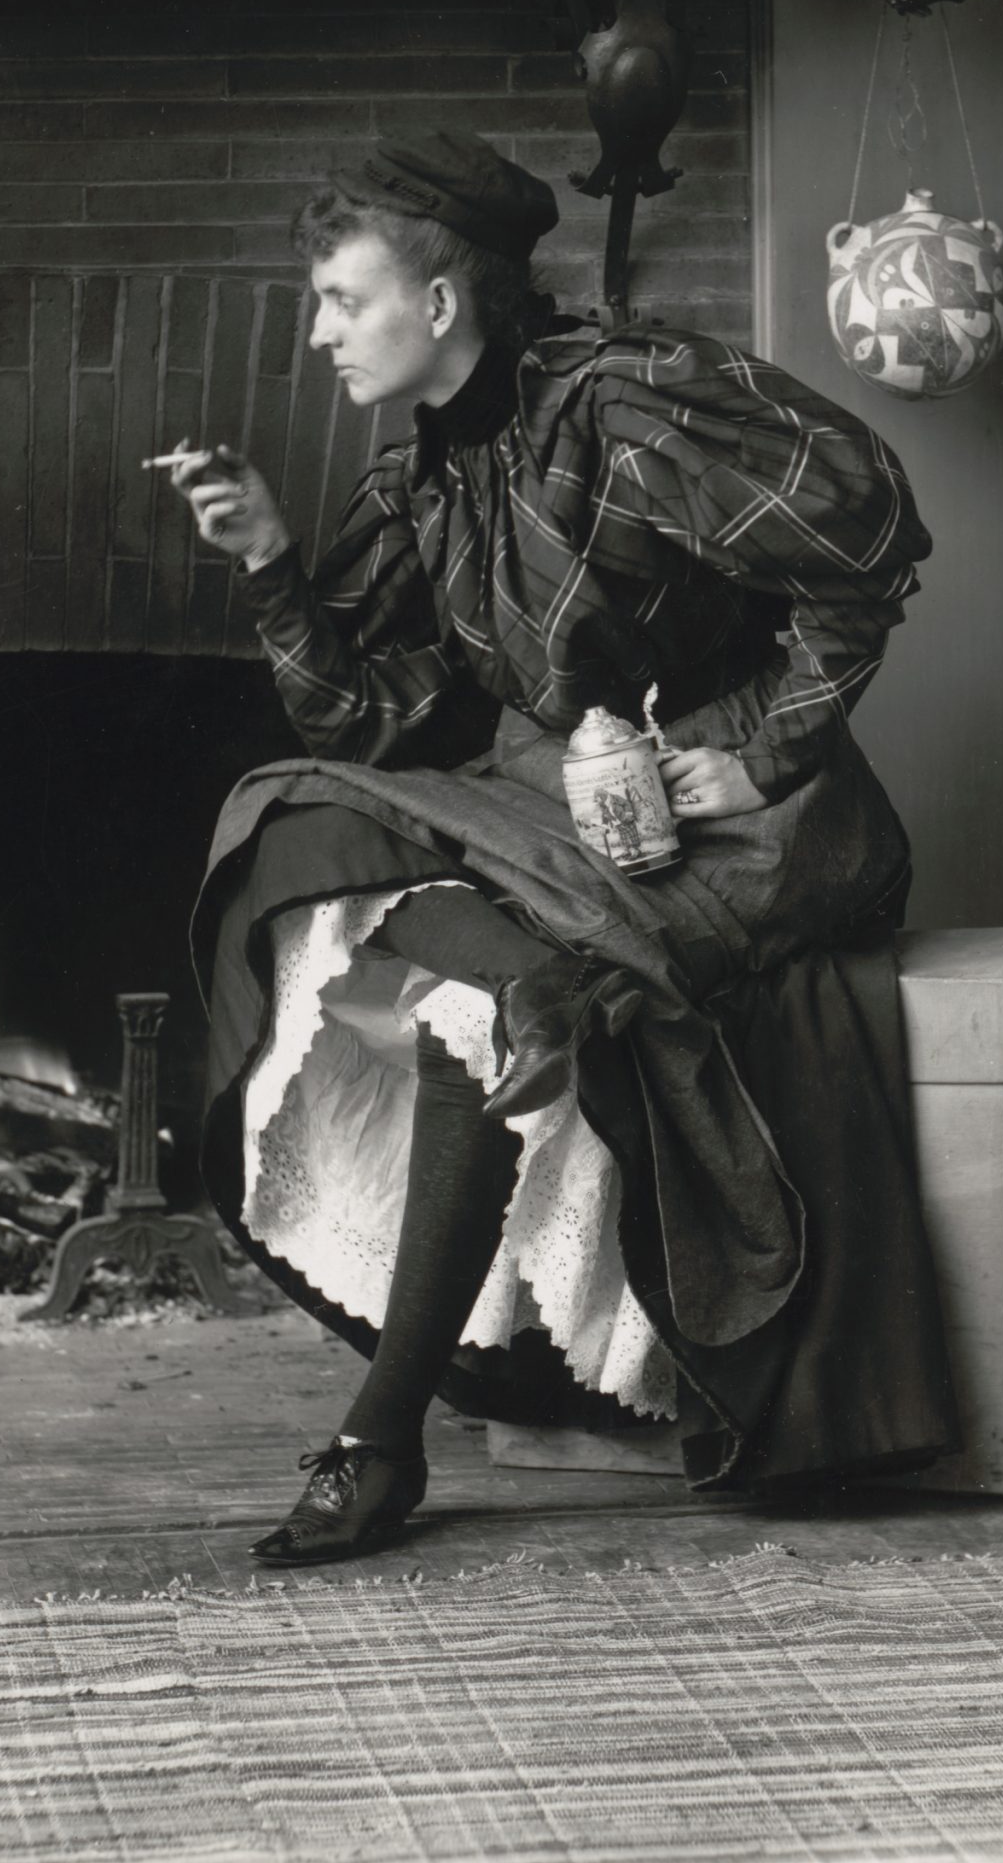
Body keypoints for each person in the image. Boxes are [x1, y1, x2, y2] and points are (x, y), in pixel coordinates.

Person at [169, 129, 953, 1566]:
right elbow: (365, 719)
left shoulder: (624, 407)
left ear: (439, 303)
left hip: (743, 830)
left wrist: (762, 747)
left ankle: (379, 1443)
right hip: (569, 796)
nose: (320, 330)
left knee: (465, 1024)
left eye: (343, 299)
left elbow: (870, 535)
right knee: (297, 813)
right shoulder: (426, 479)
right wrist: (272, 559)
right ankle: (538, 979)